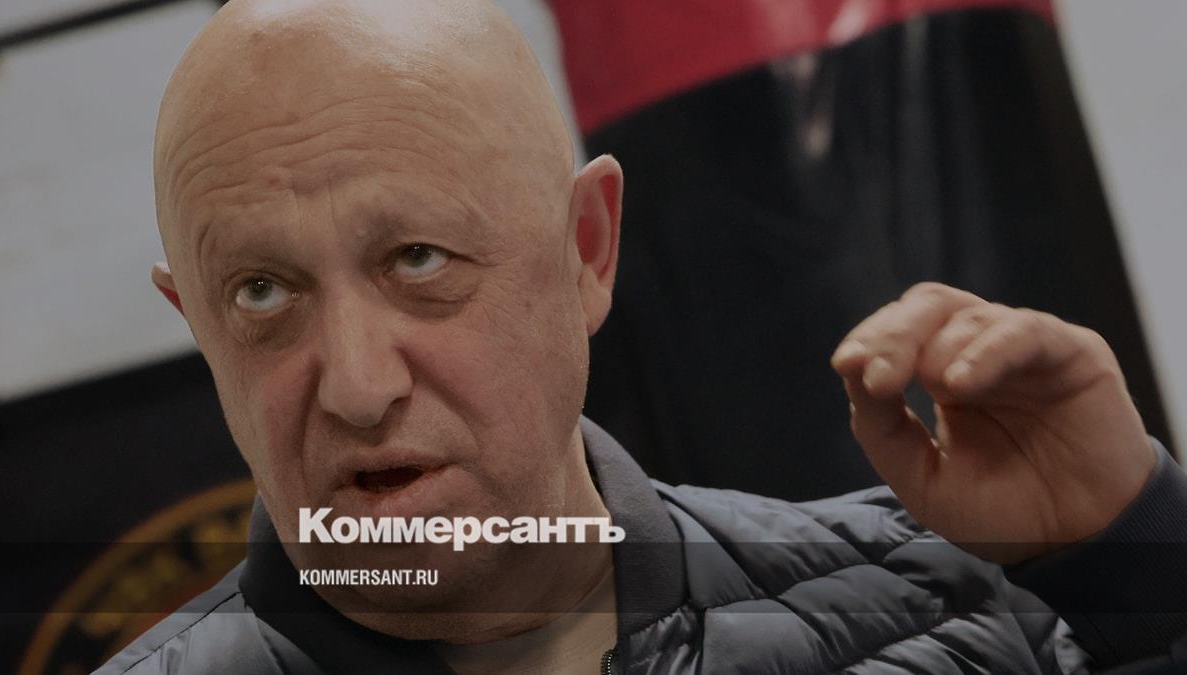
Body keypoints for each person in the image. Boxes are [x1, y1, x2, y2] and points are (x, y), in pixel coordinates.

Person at [99, 0, 1187, 672]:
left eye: (418, 259)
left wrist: (1134, 562)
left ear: (587, 248)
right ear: (198, 329)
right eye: (260, 292)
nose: (355, 382)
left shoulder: (937, 608)